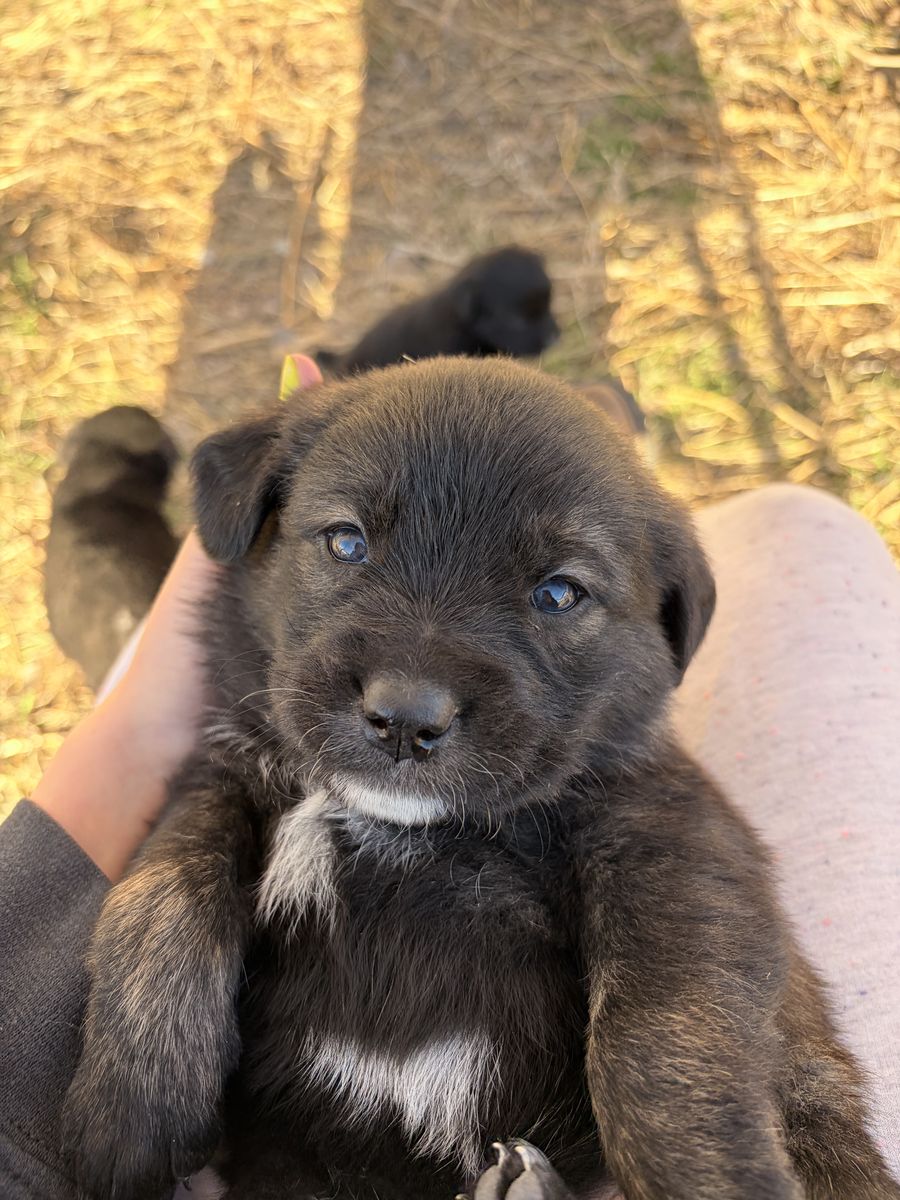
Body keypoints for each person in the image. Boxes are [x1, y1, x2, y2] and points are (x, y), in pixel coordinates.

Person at [1, 357, 898, 1198]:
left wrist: (682, 1133)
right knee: (798, 529)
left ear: (669, 620)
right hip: (301, 1157)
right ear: (255, 515)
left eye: (557, 594)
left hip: (582, 1142)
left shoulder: (605, 785)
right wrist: (154, 1003)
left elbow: (690, 911)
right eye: (347, 543)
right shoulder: (253, 728)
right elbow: (203, 838)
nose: (412, 695)